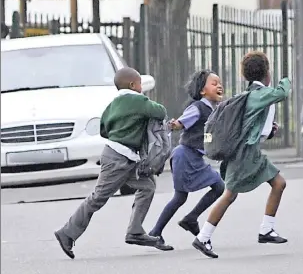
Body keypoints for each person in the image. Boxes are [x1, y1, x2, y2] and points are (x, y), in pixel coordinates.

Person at [54, 67, 166, 259]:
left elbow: (103, 129)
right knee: (98, 197)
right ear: (133, 85)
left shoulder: (112, 104)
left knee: (147, 186)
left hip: (120, 155)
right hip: (119, 160)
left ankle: (135, 232)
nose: (141, 87)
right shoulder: (138, 100)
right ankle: (67, 232)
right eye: (139, 83)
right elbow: (160, 111)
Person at [192, 51, 291, 259]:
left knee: (279, 183)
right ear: (267, 73)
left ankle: (266, 229)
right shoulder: (258, 94)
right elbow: (282, 92)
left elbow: (254, 125)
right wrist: (287, 78)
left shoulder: (252, 95)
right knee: (229, 195)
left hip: (251, 152)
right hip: (244, 155)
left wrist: (269, 130)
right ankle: (203, 237)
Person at [148, 69, 225, 251]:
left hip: (193, 156)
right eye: (214, 83)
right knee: (189, 194)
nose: (219, 86)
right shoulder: (198, 107)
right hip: (185, 155)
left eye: (220, 83)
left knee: (186, 195)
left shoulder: (213, 110)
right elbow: (183, 122)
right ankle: (160, 231)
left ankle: (177, 224)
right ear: (202, 91)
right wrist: (176, 124)